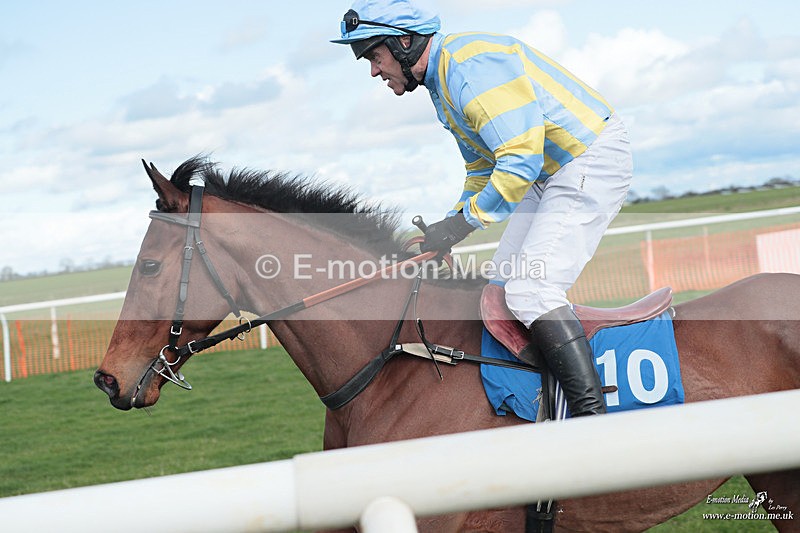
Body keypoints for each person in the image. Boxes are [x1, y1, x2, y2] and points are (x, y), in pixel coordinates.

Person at [332, 0, 632, 417]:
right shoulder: (443, 83)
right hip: (547, 173)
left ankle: (591, 417)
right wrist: (447, 227)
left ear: (403, 41)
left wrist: (459, 226)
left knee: (532, 291)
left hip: (584, 159)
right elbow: (482, 169)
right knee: (500, 294)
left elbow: (518, 161)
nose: (373, 70)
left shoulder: (469, 68)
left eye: (374, 56)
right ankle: (541, 401)